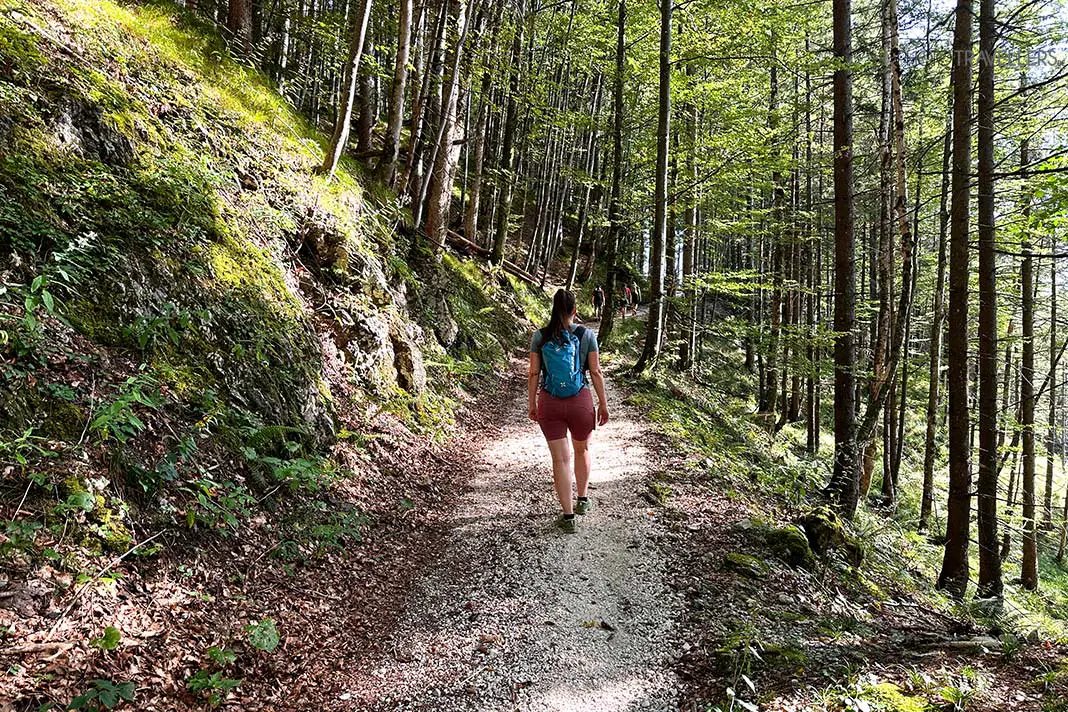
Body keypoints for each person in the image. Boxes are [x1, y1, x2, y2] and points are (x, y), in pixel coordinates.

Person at [528, 289, 610, 533]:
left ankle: (568, 516)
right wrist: (603, 404)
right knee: (582, 448)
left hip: (549, 402)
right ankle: (582, 499)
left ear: (553, 309)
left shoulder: (540, 336)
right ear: (575, 310)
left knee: (560, 459)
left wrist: (532, 403)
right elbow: (595, 372)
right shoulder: (587, 335)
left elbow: (533, 373)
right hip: (580, 401)